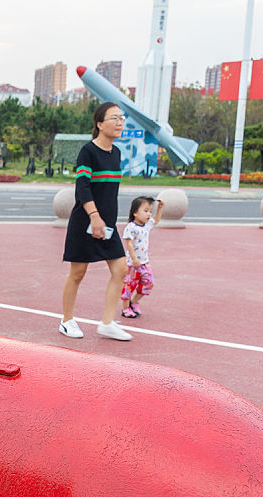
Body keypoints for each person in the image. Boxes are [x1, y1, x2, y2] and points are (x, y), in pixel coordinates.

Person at [59, 102, 131, 342]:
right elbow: (82, 188)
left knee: (121, 269)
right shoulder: (87, 152)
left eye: (121, 118)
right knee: (78, 272)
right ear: (99, 124)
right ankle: (66, 320)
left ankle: (107, 323)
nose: (119, 122)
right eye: (114, 118)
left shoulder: (117, 153)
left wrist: (105, 220)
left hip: (107, 224)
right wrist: (94, 216)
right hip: (86, 222)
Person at [120, 196, 164, 319]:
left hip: (145, 262)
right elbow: (129, 244)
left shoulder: (147, 225)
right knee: (129, 286)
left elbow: (156, 220)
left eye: (150, 211)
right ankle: (125, 309)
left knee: (149, 283)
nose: (149, 214)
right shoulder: (131, 227)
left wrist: (159, 209)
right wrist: (134, 259)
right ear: (135, 212)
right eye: (145, 211)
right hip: (132, 264)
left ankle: (133, 302)